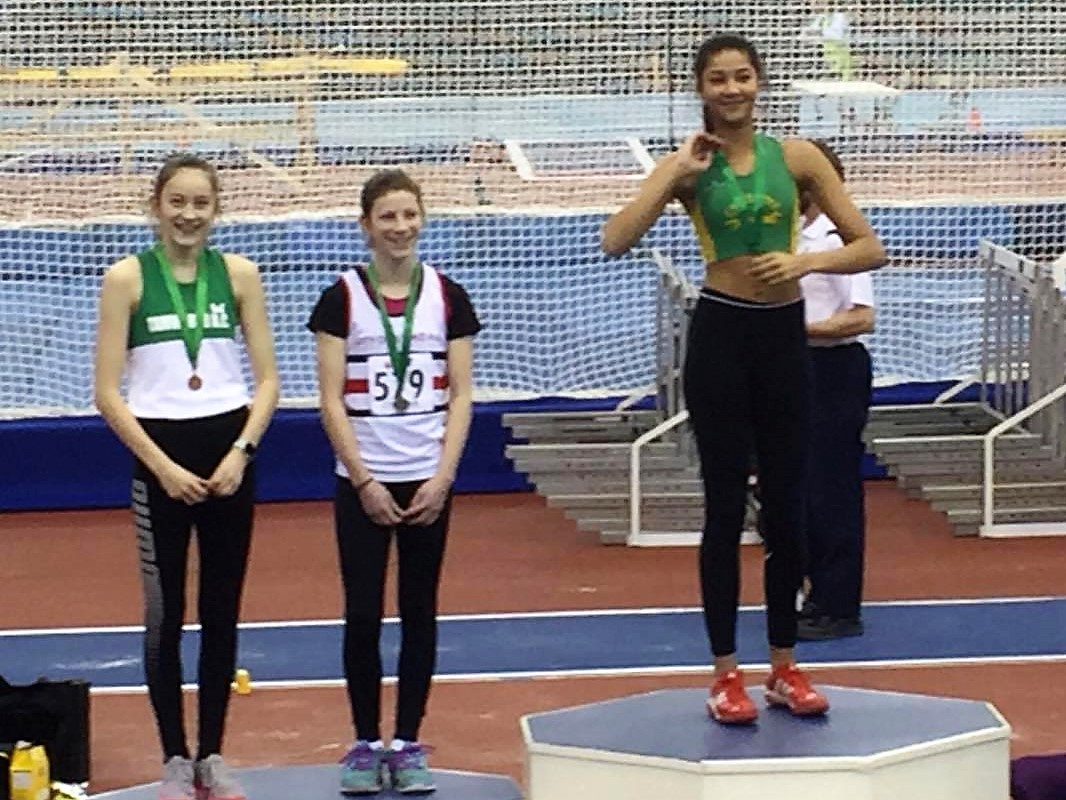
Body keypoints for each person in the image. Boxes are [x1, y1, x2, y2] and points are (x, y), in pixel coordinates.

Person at [602, 33, 885, 725]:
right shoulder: (689, 167)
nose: (731, 89)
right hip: (722, 338)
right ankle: (725, 673)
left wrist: (804, 264)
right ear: (701, 89)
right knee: (726, 510)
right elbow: (615, 239)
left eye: (742, 77)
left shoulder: (798, 158)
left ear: (760, 83)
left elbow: (868, 245)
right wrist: (673, 173)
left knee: (786, 509)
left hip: (784, 339)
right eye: (718, 79)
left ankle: (784, 666)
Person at [94, 153, 279, 800]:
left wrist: (241, 453)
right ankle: (174, 756)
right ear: (156, 205)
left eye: (201, 203)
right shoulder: (126, 279)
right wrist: (163, 468)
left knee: (222, 611)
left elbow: (268, 381)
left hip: (229, 457)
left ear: (216, 209)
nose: (188, 215)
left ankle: (213, 754)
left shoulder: (240, 274)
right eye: (177, 201)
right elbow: (107, 393)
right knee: (164, 613)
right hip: (160, 462)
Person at [308, 168, 480, 794]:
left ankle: (407, 741)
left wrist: (443, 477)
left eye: (409, 215)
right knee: (361, 612)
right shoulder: (341, 298)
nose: (400, 227)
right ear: (366, 225)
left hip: (427, 481)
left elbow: (461, 396)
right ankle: (363, 742)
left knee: (419, 610)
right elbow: (330, 400)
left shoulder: (449, 296)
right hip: (364, 482)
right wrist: (363, 481)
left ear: (422, 219)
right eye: (387, 216)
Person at [795, 140, 874, 641]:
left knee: (831, 488)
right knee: (795, 487)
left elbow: (861, 317)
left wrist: (799, 330)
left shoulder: (839, 237)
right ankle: (810, 588)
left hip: (832, 370)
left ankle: (839, 604)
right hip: (792, 368)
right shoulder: (785, 235)